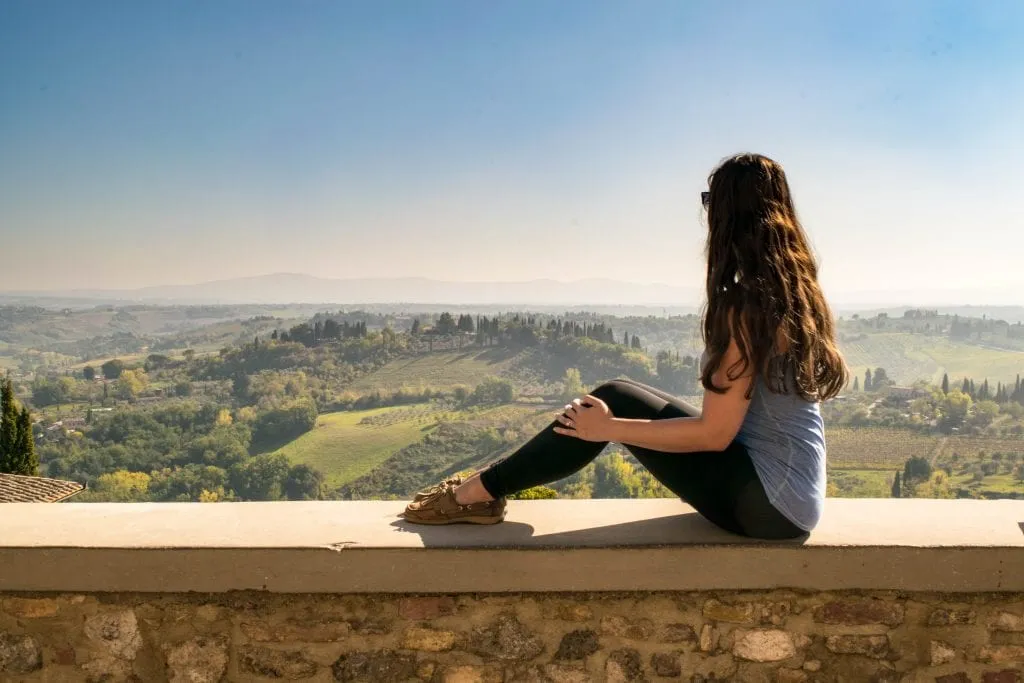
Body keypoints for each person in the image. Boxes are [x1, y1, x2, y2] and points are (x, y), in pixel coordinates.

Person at [402, 153, 848, 540]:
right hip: (790, 493)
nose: (706, 212)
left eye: (710, 201)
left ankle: (472, 496)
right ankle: (482, 489)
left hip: (771, 505)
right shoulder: (791, 291)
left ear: (731, 215)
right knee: (617, 391)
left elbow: (714, 435)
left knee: (610, 406)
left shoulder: (746, 307)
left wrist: (609, 429)